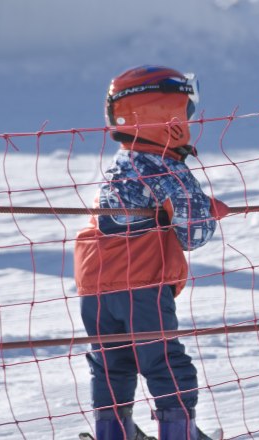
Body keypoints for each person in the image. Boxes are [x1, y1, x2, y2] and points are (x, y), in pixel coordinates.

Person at [74, 65, 229, 440]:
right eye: (187, 112)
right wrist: (208, 210)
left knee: (111, 362)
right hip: (140, 286)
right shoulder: (166, 169)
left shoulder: (120, 164)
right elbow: (194, 233)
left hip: (94, 288)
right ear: (166, 116)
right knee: (163, 361)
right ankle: (179, 432)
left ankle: (113, 431)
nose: (191, 119)